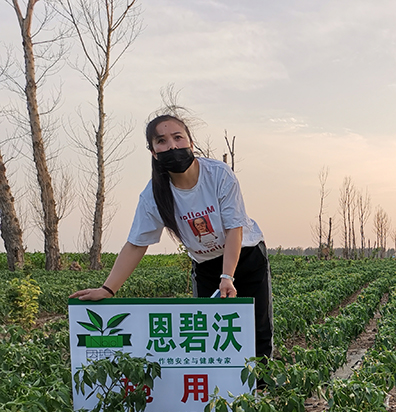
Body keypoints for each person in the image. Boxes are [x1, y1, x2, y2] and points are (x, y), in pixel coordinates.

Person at [71, 114, 274, 358]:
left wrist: (227, 276)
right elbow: (136, 245)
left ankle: (261, 388)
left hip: (246, 255)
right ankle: (223, 393)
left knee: (257, 327)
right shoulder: (154, 195)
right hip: (206, 265)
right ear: (154, 152)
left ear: (190, 141)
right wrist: (108, 289)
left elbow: (234, 228)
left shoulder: (218, 174)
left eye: (178, 137)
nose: (172, 146)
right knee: (211, 332)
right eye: (162, 141)